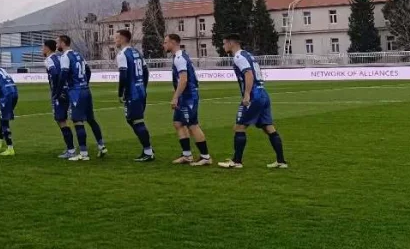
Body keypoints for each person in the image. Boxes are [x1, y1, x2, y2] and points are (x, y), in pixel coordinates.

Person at [219, 34, 288, 169]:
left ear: (231, 43)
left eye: (224, 43)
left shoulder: (239, 57)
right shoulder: (248, 55)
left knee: (239, 127)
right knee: (268, 127)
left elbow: (249, 74)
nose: (223, 46)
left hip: (253, 95)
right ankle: (281, 161)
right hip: (262, 93)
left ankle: (236, 161)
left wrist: (246, 94)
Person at [164, 34, 211, 165]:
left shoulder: (179, 58)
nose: (164, 45)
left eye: (165, 42)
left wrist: (175, 97)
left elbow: (183, 79)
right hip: (184, 96)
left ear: (173, 43)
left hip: (188, 96)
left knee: (192, 125)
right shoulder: (179, 56)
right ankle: (187, 155)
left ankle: (205, 157)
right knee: (178, 123)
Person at [59, 35, 105, 160]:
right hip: (85, 90)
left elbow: (63, 75)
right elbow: (88, 70)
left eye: (58, 42)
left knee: (77, 121)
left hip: (76, 92)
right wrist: (85, 83)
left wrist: (59, 90)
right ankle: (101, 146)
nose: (57, 45)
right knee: (91, 119)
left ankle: (83, 154)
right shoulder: (78, 55)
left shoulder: (65, 56)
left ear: (63, 43)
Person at [116, 29, 154, 162]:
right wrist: (143, 86)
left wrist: (120, 93)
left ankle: (148, 151)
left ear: (122, 39)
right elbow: (146, 71)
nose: (115, 41)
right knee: (132, 119)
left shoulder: (122, 54)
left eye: (116, 38)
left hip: (133, 93)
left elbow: (123, 75)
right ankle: (147, 148)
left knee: (137, 121)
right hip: (140, 91)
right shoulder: (136, 52)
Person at [44, 39, 78, 159]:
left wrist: (56, 90)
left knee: (61, 120)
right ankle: (71, 147)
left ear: (47, 48)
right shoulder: (59, 57)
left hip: (60, 93)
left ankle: (71, 149)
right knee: (64, 119)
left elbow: (54, 73)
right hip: (67, 90)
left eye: (43, 47)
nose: (42, 49)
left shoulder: (49, 59)